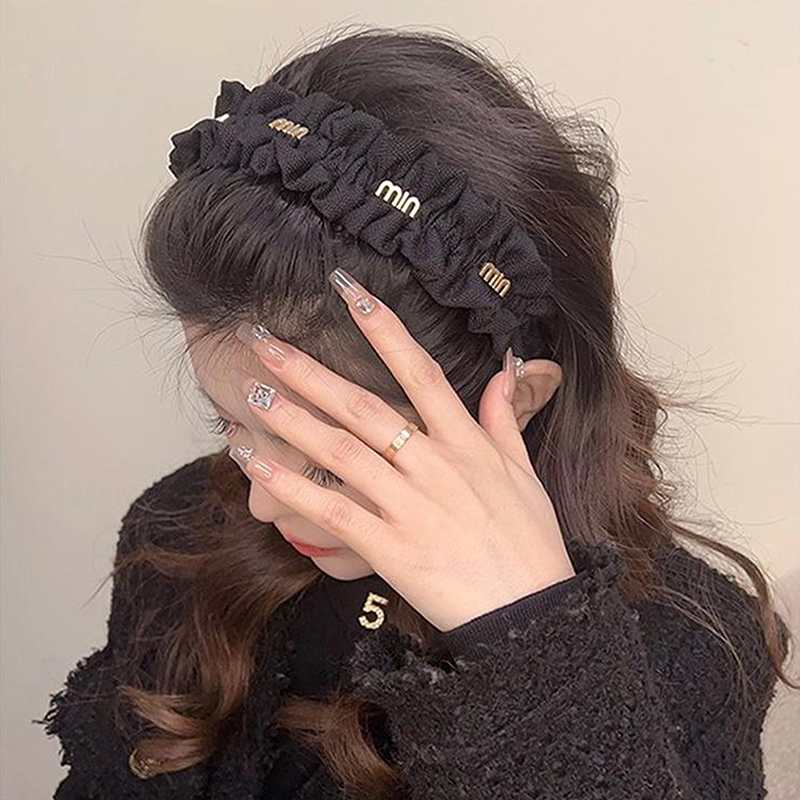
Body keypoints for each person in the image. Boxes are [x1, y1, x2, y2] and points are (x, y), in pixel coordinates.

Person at [37, 26, 796, 800]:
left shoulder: (695, 647)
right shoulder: (178, 531)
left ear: (517, 398)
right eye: (231, 424)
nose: (263, 500)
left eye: (328, 462)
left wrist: (527, 653)